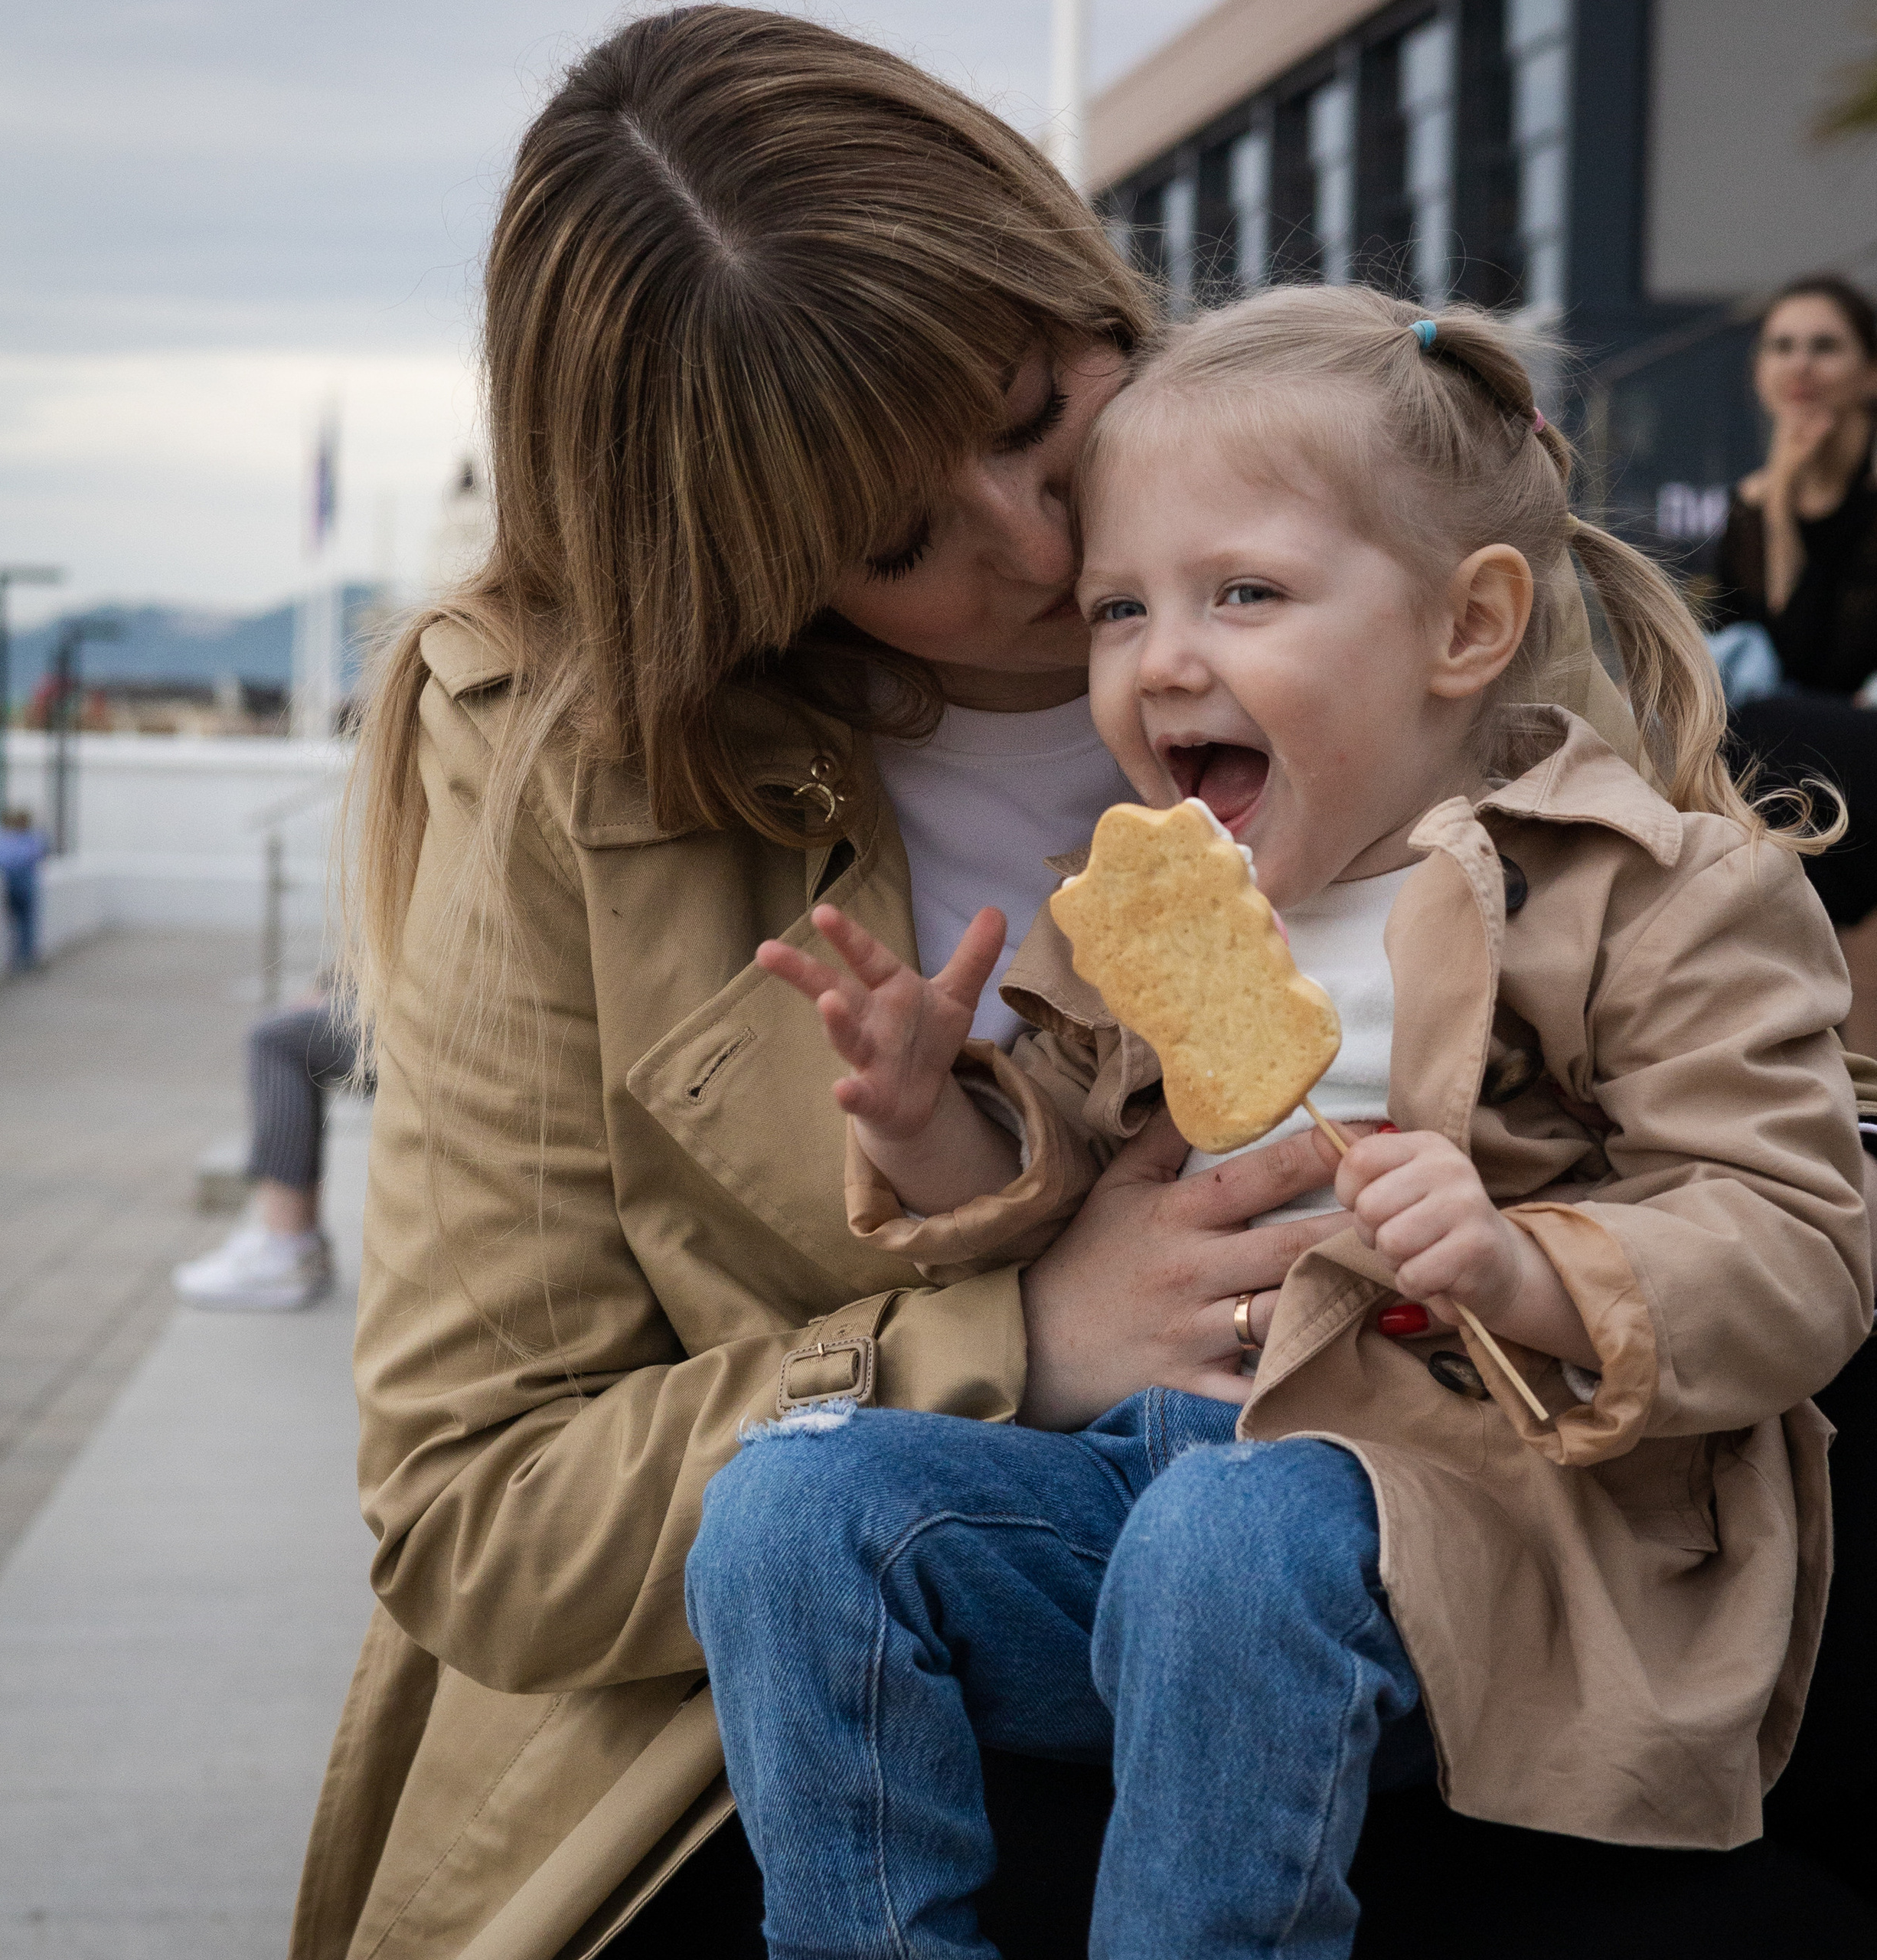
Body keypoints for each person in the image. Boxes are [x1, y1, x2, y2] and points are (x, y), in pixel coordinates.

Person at [286, 15, 1876, 1958]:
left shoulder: (1376, 532)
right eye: (894, 537)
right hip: (862, 1665)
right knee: (830, 1518)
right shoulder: (568, 758)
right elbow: (477, 1503)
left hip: (1465, 1554)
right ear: (744, 570)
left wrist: (1532, 1261)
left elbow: (1750, 1193)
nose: (1044, 551)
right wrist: (1003, 1295)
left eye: (1040, 411)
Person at [687, 289, 1871, 1956]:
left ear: (1466, 626)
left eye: (1242, 593)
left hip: (1495, 1543)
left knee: (1226, 1532)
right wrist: (922, 1118)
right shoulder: (1151, 912)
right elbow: (1066, 1189)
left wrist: (1526, 1263)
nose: (1164, 657)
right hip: (1154, 1504)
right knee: (788, 1501)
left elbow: (1798, 1248)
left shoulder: (1649, 895)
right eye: (1119, 607)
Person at [1711, 274, 1877, 1048]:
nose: (1800, 365)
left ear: (1869, 372)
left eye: (1824, 346)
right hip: (1798, 747)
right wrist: (1779, 506)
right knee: (1747, 739)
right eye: (1781, 346)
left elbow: (1831, 657)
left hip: (1855, 736)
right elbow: (1762, 650)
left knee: (1761, 735)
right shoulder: (1752, 503)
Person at [172, 990, 363, 1312]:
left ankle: (286, 1248)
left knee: (277, 1040)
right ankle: (299, 1247)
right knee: (294, 1026)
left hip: (434, 1031)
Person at [0, 805, 47, 970]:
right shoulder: (5, 838)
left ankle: (25, 958)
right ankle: (20, 959)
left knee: (25, 923)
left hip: (21, 884)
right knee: (19, 923)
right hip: (15, 884)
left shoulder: (21, 838)